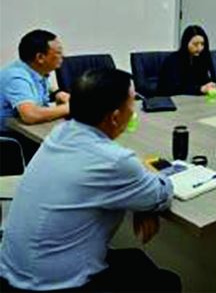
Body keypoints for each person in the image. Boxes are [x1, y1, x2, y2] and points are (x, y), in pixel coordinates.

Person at [0, 68, 180, 292]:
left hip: (11, 272)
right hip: (51, 286)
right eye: (132, 104)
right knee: (168, 282)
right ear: (115, 117)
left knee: (136, 259)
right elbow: (162, 192)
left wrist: (138, 194)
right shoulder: (114, 161)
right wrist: (143, 197)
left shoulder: (59, 133)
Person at [0, 30, 69, 132]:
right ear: (40, 57)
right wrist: (70, 107)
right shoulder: (16, 77)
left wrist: (57, 94)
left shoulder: (33, 69)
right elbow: (31, 115)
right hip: (7, 137)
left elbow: (42, 88)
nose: (63, 56)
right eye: (58, 52)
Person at [158, 25, 216, 96]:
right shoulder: (173, 60)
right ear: (186, 43)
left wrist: (210, 85)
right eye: (195, 44)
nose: (200, 48)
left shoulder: (200, 59)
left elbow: (204, 80)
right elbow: (174, 88)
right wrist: (199, 89)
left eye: (202, 44)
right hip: (171, 99)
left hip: (195, 99)